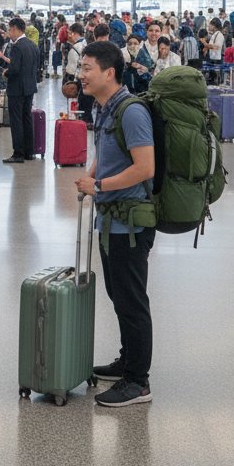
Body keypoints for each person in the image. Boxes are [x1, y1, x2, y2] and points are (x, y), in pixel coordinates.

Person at [73, 41, 156, 408]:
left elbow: (145, 168)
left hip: (131, 223)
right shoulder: (105, 107)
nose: (81, 74)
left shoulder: (131, 111)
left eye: (87, 67)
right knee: (118, 296)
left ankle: (138, 382)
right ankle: (128, 361)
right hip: (111, 220)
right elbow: (105, 153)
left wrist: (100, 185)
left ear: (109, 72)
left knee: (131, 300)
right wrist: (91, 176)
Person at [2, 17, 39, 164]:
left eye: (10, 30)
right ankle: (29, 152)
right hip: (29, 87)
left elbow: (15, 69)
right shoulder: (32, 45)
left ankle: (18, 153)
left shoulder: (17, 46)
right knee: (27, 118)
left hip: (17, 89)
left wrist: (6, 73)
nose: (9, 33)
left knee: (16, 121)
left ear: (16, 29)